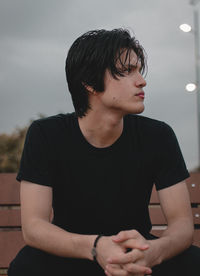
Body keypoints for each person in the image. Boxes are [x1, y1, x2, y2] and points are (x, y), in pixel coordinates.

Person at [8, 28, 200, 276]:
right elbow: (34, 227)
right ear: (89, 82)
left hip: (138, 251)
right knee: (27, 267)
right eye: (127, 71)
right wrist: (96, 247)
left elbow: (182, 224)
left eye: (139, 70)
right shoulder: (46, 135)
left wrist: (153, 251)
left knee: (193, 262)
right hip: (72, 251)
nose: (141, 80)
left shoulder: (158, 135)